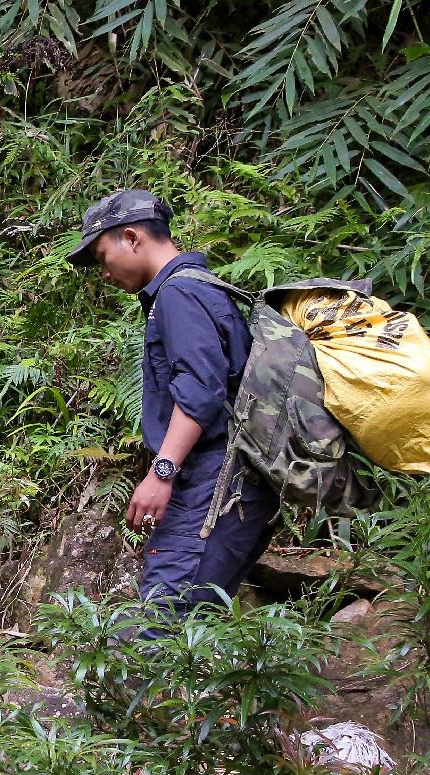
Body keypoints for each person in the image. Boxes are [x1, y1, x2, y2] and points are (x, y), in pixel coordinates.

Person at [67, 190, 278, 621]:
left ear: (132, 238)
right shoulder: (198, 289)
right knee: (191, 618)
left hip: (214, 480)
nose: (102, 273)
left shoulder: (179, 294)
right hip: (227, 480)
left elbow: (201, 389)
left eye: (102, 256)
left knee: (167, 617)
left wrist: (162, 472)